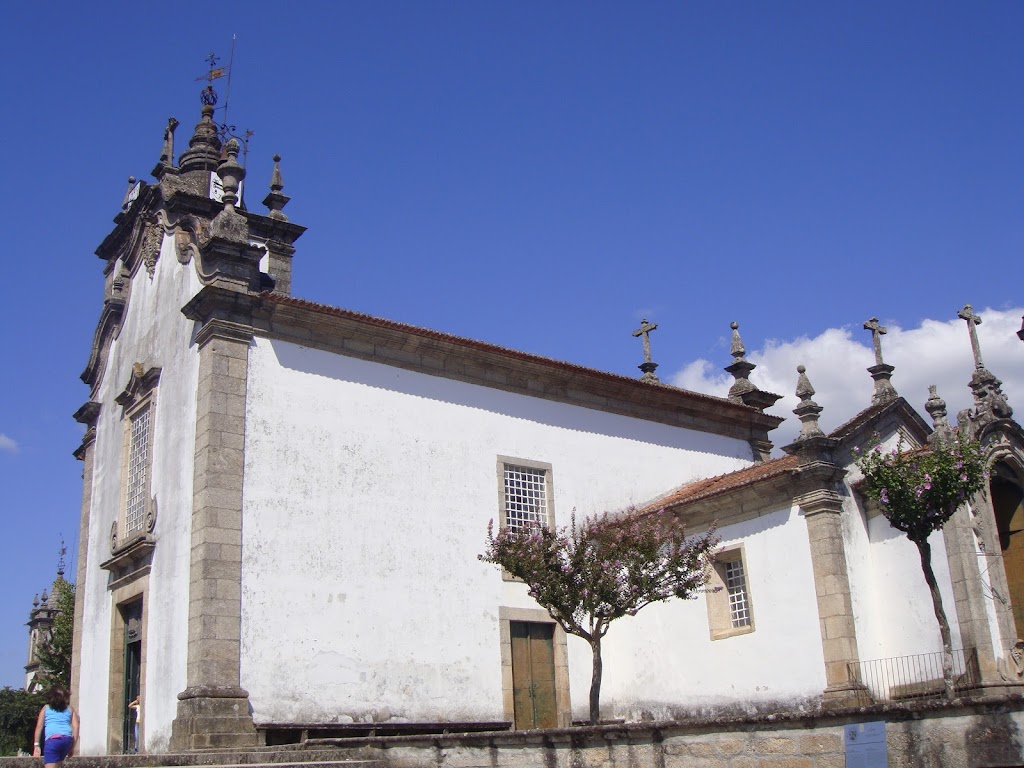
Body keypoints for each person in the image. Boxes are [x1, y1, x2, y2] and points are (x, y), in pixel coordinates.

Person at [32, 686, 78, 768]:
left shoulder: (46, 708)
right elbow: (76, 727)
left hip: (53, 740)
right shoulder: (70, 709)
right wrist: (73, 746)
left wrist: (36, 745)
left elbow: (39, 727)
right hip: (66, 740)